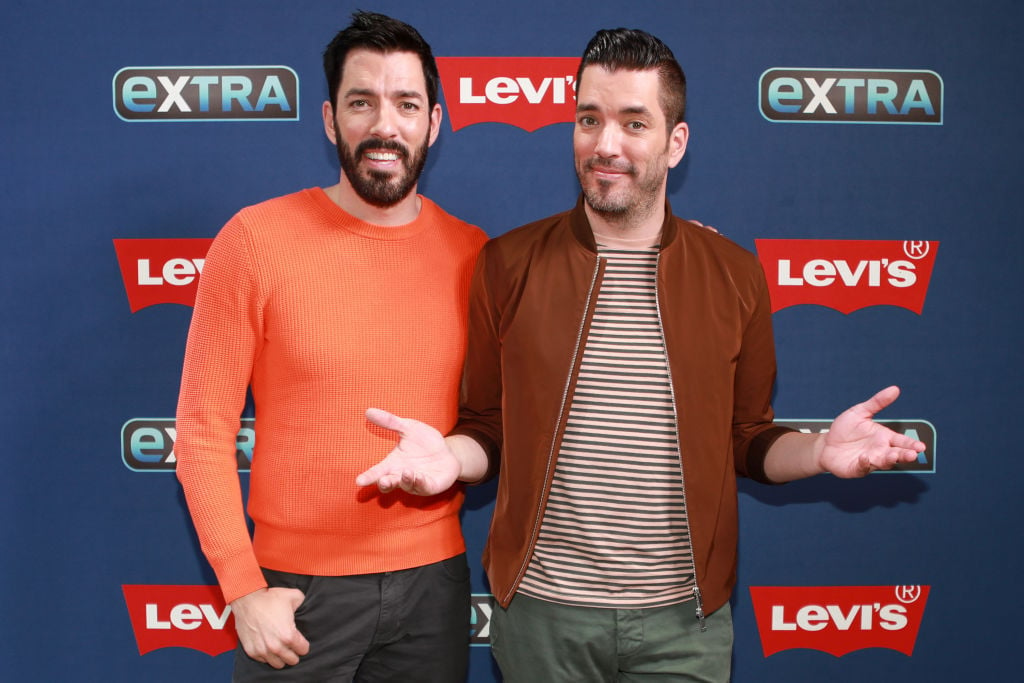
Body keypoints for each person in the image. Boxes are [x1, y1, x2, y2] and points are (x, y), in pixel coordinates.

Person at [358, 26, 926, 681]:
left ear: (674, 142)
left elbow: (749, 440)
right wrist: (448, 458)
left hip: (684, 626)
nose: (606, 144)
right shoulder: (508, 264)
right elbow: (486, 427)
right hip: (544, 619)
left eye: (634, 123)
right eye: (588, 119)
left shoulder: (734, 275)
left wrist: (820, 451)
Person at [175, 11, 488, 681]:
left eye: (406, 103)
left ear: (434, 121)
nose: (385, 125)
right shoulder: (254, 241)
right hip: (295, 595)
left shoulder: (476, 256)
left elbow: (502, 418)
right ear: (328, 119)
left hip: (433, 588)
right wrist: (241, 587)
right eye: (361, 102)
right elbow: (202, 432)